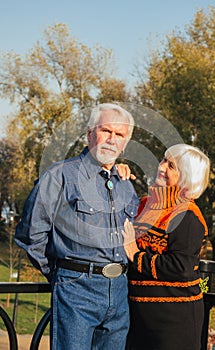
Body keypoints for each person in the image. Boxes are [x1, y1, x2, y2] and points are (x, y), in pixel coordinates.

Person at [14, 103, 139, 350]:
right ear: (89, 133)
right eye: (106, 131)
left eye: (120, 135)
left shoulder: (126, 184)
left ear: (126, 143)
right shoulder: (60, 176)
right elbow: (31, 234)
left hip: (119, 291)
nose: (112, 139)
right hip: (76, 289)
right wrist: (62, 274)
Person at [122, 144, 210, 350]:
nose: (161, 167)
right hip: (138, 317)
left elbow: (180, 266)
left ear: (187, 178)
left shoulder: (188, 215)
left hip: (173, 321)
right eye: (163, 160)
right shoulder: (145, 204)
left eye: (172, 166)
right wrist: (118, 172)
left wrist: (135, 254)